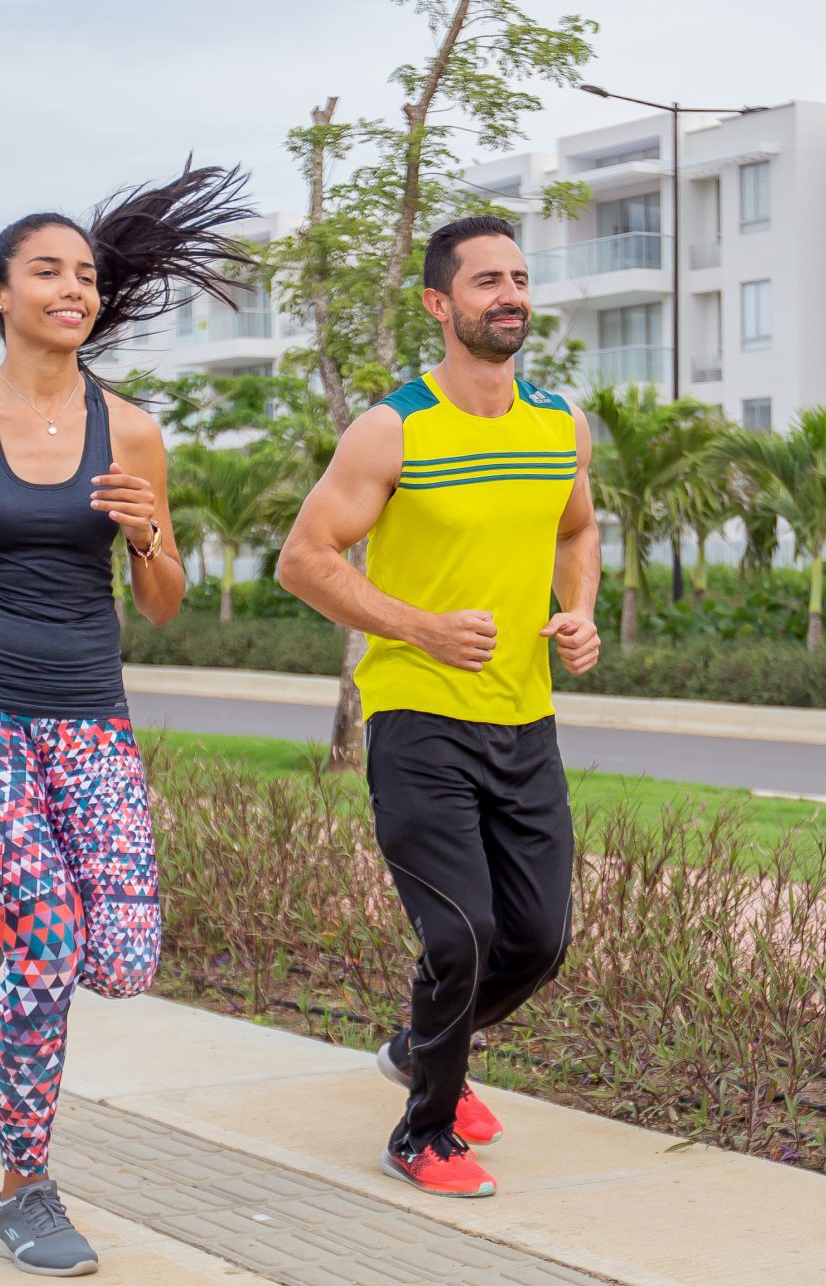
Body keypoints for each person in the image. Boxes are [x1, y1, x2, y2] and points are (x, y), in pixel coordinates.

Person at [0, 165, 250, 1276]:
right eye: (48, 272)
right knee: (54, 936)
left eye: (86, 275)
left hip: (84, 711)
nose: (75, 288)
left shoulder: (134, 432)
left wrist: (150, 537)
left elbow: (158, 604)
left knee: (120, 958)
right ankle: (26, 1185)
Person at [278, 215, 603, 1200]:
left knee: (538, 939)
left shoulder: (559, 425)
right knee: (460, 930)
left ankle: (422, 1046)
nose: (508, 294)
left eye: (518, 276)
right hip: (419, 716)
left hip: (524, 717)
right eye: (484, 281)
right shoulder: (394, 427)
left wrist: (578, 611)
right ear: (438, 303)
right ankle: (422, 1131)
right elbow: (305, 559)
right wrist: (416, 627)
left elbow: (577, 527)